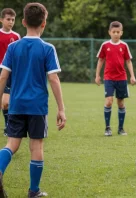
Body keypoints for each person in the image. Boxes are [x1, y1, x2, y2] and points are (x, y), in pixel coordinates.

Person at [0, 3, 66, 197]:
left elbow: (3, 76)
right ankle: (34, 191)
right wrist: (61, 108)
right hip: (37, 106)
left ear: (23, 22)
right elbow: (53, 78)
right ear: (44, 23)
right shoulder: (47, 48)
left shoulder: (13, 47)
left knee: (12, 144)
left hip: (17, 104)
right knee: (36, 146)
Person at [95, 21, 136, 136]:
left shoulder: (124, 45)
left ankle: (121, 128)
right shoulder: (105, 45)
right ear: (109, 32)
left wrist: (132, 76)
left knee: (121, 103)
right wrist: (97, 75)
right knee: (108, 101)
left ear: (121, 33)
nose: (116, 34)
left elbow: (128, 61)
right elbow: (100, 60)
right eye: (114, 32)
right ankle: (107, 128)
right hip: (108, 77)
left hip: (121, 78)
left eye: (118, 32)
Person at [0, 8, 20, 136]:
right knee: (3, 102)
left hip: (10, 71)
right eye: (8, 19)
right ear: (1, 20)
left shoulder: (16, 36)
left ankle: (9, 126)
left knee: (6, 102)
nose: (10, 22)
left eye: (13, 20)